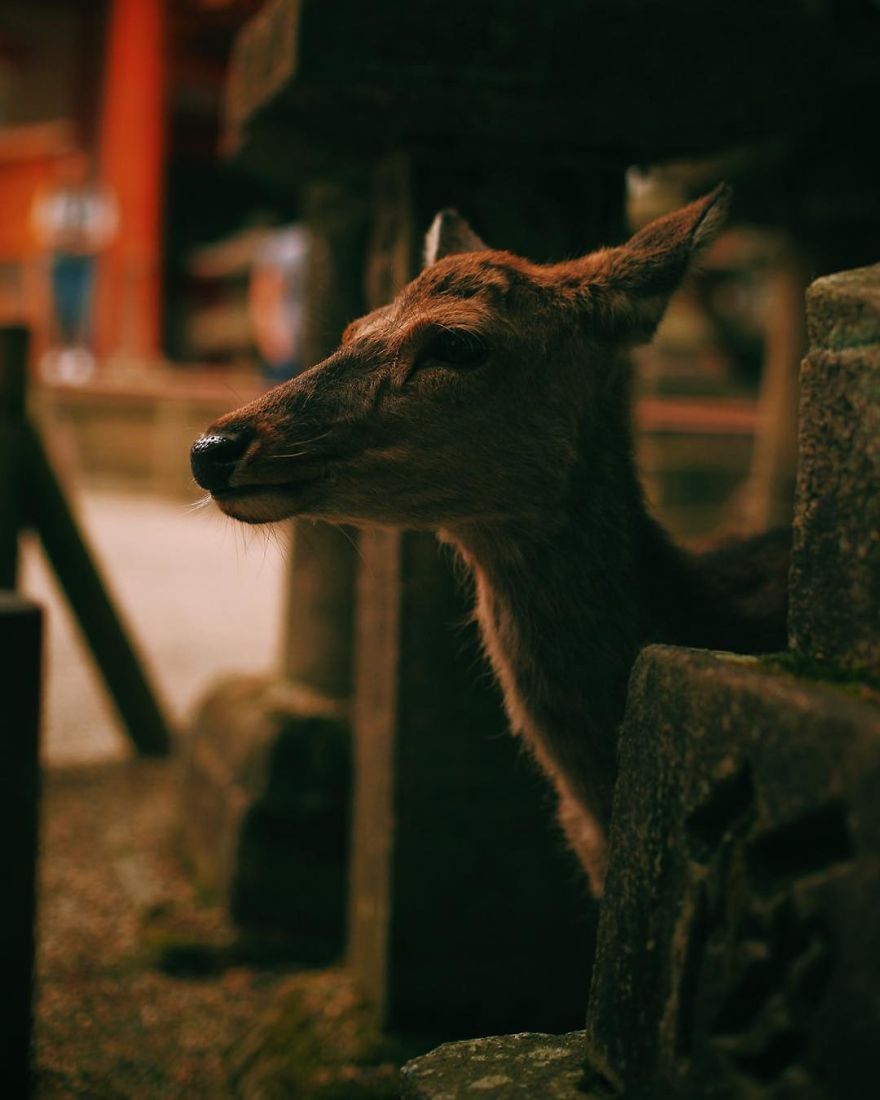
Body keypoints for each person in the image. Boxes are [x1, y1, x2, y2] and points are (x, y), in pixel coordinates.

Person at [31, 150, 118, 382]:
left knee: (84, 309)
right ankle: (56, 358)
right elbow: (42, 227)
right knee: (59, 308)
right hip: (60, 260)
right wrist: (62, 239)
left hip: (85, 261)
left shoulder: (97, 196)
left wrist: (85, 241)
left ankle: (80, 360)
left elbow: (107, 229)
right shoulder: (52, 195)